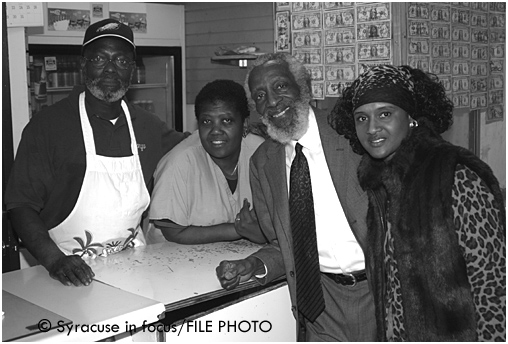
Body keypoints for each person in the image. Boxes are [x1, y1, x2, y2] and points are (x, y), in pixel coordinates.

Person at [5, 19, 188, 287]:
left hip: (133, 266)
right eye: (100, 58)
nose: (111, 69)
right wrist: (54, 260)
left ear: (132, 71)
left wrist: (246, 132)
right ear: (83, 65)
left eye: (122, 61)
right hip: (64, 273)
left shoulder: (147, 126)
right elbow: (21, 205)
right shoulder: (48, 126)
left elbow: (192, 147)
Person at [329, 64, 506, 341]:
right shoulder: (378, 184)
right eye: (362, 118)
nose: (372, 128)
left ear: (411, 117)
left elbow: (492, 285)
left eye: (385, 114)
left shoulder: (455, 176)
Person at [215, 53, 376, 341]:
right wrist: (252, 264)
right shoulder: (262, 164)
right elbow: (285, 244)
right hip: (319, 304)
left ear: (303, 88)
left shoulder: (352, 135)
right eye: (260, 95)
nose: (272, 102)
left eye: (280, 87)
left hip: (379, 291)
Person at [147, 79, 266, 245]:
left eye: (226, 121)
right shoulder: (178, 163)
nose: (215, 131)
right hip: (174, 262)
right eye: (207, 122)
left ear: (244, 124)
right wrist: (239, 229)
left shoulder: (261, 153)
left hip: (238, 259)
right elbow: (174, 232)